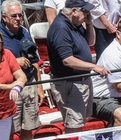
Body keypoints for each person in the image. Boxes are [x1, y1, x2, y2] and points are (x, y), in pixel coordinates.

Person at [47, 0, 111, 133]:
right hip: (70, 83)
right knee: (73, 124)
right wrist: (94, 67)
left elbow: (91, 41)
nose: (88, 13)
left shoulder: (75, 23)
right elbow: (67, 60)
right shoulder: (61, 28)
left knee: (79, 122)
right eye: (85, 11)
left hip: (81, 81)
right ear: (74, 11)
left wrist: (89, 23)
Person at [0, 0, 41, 140]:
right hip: (10, 87)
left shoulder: (25, 32)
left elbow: (35, 62)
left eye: (20, 15)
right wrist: (15, 61)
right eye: (14, 16)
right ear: (4, 17)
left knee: (28, 126)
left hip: (29, 84)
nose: (18, 19)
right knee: (9, 128)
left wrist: (39, 87)